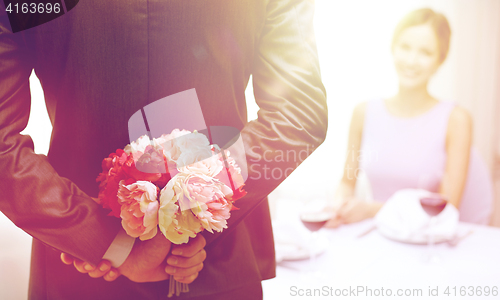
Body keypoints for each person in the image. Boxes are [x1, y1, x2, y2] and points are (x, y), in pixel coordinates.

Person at [0, 0, 327, 299]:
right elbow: (297, 114)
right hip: (216, 262)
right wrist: (191, 210)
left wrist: (107, 242)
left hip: (81, 266)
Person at [326, 8, 477, 227]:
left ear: (440, 60)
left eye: (425, 52)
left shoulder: (457, 119)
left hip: (426, 242)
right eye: (405, 47)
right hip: (373, 236)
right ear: (392, 48)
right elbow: (347, 182)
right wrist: (339, 207)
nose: (411, 60)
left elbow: (445, 208)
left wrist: (371, 210)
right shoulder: (363, 113)